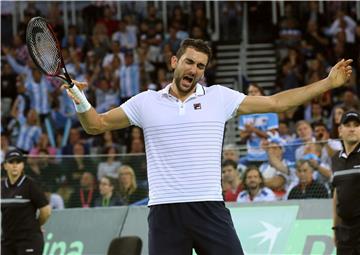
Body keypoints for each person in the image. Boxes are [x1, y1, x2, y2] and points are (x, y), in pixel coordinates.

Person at [64, 38, 352, 255]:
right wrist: (80, 99)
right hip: (165, 212)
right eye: (189, 62)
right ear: (174, 61)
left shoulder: (219, 98)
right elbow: (96, 124)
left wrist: (327, 83)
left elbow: (277, 102)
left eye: (200, 66)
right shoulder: (145, 102)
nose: (194, 69)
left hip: (209, 208)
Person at [1, 149, 52, 255]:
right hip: (7, 241)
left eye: (18, 162)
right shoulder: (1, 186)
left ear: (23, 165)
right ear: (5, 165)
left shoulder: (30, 185)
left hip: (28, 241)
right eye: (11, 162)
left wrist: (36, 225)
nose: (15, 166)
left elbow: (46, 211)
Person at [332, 110, 360, 254]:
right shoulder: (335, 159)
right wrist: (335, 227)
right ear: (340, 131)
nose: (352, 128)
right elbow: (337, 193)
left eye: (356, 125)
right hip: (344, 231)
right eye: (348, 125)